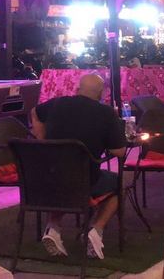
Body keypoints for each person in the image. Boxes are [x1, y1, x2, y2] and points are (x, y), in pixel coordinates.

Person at [30, 74, 126, 260]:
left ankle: (53, 228)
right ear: (101, 93)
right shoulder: (106, 113)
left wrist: (41, 138)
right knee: (117, 184)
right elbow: (119, 151)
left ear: (78, 89)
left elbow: (35, 112)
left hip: (49, 178)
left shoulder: (57, 103)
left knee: (64, 182)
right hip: (85, 181)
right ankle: (96, 230)